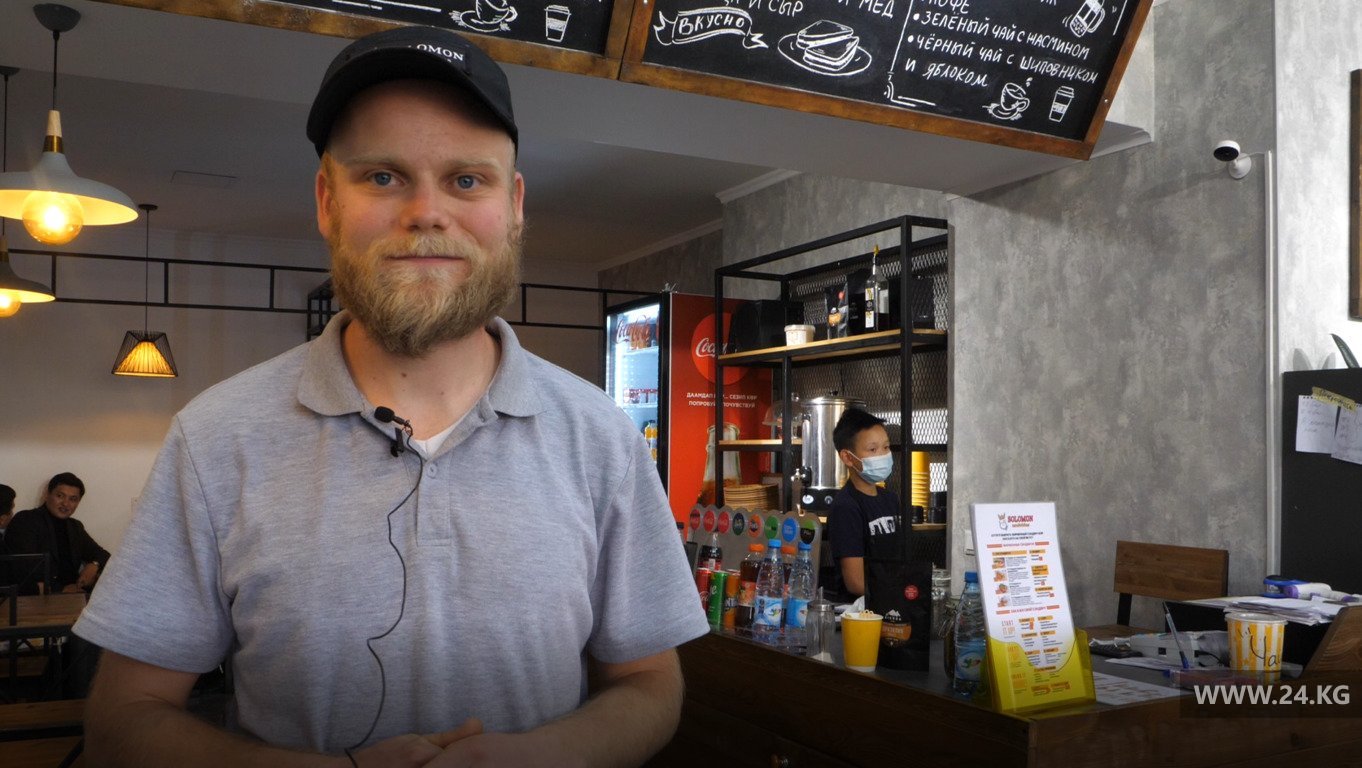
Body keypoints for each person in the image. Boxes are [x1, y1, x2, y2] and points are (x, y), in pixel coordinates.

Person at [75, 25, 708, 768]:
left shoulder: (601, 436)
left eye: (466, 180)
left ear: (514, 205)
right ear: (326, 201)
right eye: (382, 177)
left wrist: (541, 757)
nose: (426, 212)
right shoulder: (215, 437)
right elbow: (124, 718)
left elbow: (650, 683)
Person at [827, 408, 902, 599]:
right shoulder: (845, 507)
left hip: (892, 604)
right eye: (872, 449)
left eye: (886, 447)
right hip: (859, 610)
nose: (883, 455)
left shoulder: (891, 499)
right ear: (847, 457)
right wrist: (900, 592)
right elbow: (856, 583)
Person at [5, 472, 110, 594]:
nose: (65, 503)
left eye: (73, 499)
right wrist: (61, 590)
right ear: (47, 495)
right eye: (60, 496)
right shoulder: (26, 520)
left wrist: (94, 564)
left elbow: (103, 555)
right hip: (40, 598)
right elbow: (21, 570)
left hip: (75, 595)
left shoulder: (75, 526)